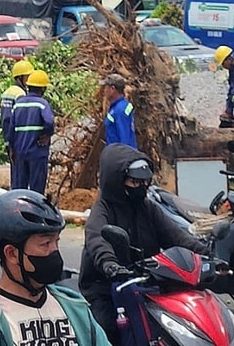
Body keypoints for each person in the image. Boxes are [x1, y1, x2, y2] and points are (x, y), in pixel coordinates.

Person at [78, 144, 209, 345]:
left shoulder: (148, 208)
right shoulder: (102, 209)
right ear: (117, 180)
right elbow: (98, 239)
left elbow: (176, 236)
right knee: (106, 332)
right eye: (135, 182)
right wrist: (110, 264)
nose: (141, 187)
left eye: (145, 182)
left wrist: (207, 254)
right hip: (106, 288)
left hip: (147, 283)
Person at [0, 189, 110, 346]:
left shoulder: (75, 308)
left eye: (57, 241)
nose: (54, 251)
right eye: (45, 244)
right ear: (12, 254)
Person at [8, 69, 55, 193]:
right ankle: (35, 211)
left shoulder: (18, 104)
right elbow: (49, 122)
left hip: (20, 153)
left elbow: (11, 129)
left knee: (19, 190)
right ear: (43, 89)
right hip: (37, 153)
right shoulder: (42, 104)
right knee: (36, 191)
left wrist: (11, 149)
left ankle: (18, 211)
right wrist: (46, 135)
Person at [1, 60, 33, 187]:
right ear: (20, 77)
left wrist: (7, 142)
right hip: (17, 139)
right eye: (27, 76)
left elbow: (4, 119)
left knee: (15, 174)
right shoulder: (20, 95)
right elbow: (19, 120)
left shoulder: (7, 92)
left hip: (9, 137)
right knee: (20, 176)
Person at [101, 73, 137, 149]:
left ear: (112, 89)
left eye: (106, 88)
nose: (104, 91)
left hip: (120, 156)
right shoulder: (122, 105)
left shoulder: (119, 110)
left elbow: (124, 140)